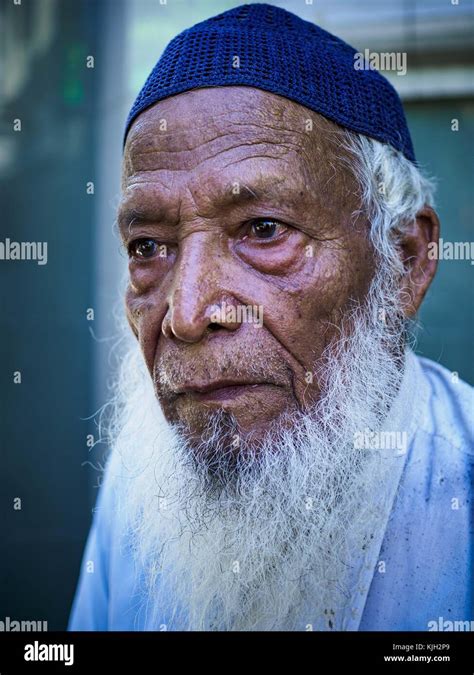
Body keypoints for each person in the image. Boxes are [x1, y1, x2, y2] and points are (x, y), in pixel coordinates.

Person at [69, 3, 473, 631]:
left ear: (405, 259)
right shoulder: (144, 472)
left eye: (263, 230)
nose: (188, 313)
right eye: (148, 247)